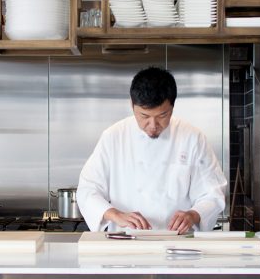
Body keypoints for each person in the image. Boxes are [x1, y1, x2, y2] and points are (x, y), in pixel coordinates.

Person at [77, 66, 227, 233]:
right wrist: (115, 214)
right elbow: (88, 189)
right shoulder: (114, 137)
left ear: (173, 106)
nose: (153, 125)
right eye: (144, 116)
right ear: (132, 104)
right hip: (125, 242)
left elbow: (213, 193)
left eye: (162, 115)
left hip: (178, 245)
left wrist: (193, 214)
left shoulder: (192, 138)